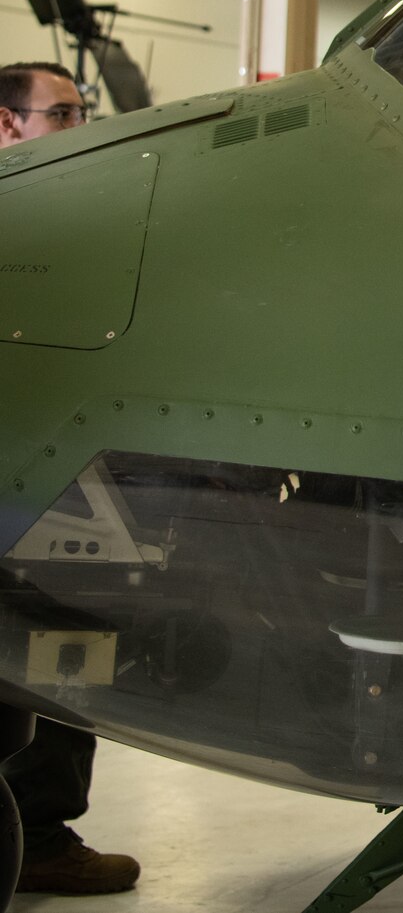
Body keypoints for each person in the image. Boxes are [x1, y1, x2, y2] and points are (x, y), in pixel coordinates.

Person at [0, 61, 140, 896]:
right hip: (32, 473)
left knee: (62, 648)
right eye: (63, 114)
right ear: (8, 123)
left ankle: (43, 823)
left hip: (54, 470)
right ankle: (41, 831)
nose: (81, 128)